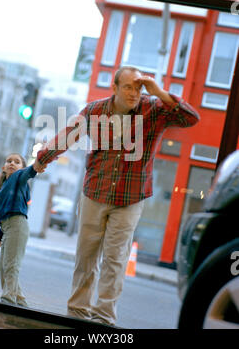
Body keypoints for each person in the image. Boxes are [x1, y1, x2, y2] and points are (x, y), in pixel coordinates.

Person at [36, 66, 200, 325]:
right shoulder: (94, 111)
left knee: (115, 260)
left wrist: (157, 91)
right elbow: (67, 136)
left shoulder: (154, 109)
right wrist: (40, 161)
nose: (134, 93)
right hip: (95, 192)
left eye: (138, 87)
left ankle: (103, 319)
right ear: (114, 88)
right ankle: (77, 313)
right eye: (128, 87)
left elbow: (190, 118)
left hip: (130, 198)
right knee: (86, 257)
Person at [0, 153, 46, 306]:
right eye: (9, 161)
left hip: (17, 225)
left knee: (11, 265)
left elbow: (30, 171)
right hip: (7, 227)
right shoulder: (4, 187)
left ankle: (8, 299)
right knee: (2, 268)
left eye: (17, 162)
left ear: (21, 168)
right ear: (4, 167)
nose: (12, 163)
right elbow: (5, 212)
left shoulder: (19, 177)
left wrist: (39, 161)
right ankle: (20, 301)